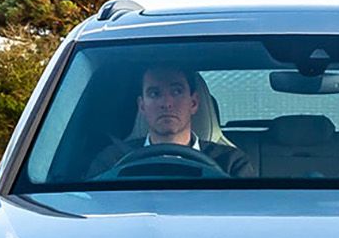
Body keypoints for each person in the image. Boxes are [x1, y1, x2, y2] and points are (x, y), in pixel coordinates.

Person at [89, 65, 256, 177]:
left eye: (176, 91)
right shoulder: (111, 161)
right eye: (155, 94)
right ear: (142, 106)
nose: (166, 103)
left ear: (194, 103)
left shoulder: (231, 163)